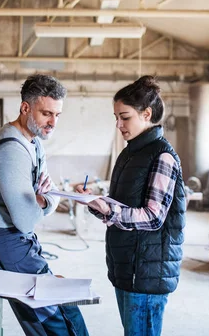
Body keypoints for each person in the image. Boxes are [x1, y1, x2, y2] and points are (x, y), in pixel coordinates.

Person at [0, 74, 89, 336]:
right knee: (56, 320)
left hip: (17, 242)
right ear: (25, 108)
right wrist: (44, 199)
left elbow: (49, 195)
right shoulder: (12, 150)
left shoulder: (33, 142)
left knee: (62, 309)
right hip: (4, 248)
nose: (53, 123)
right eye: (46, 113)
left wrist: (43, 199)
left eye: (57, 115)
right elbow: (27, 218)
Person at [76, 75, 186, 336]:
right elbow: (122, 207)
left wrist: (109, 209)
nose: (118, 124)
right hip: (127, 268)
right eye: (116, 117)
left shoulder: (162, 156)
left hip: (146, 274)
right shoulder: (130, 152)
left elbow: (152, 217)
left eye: (124, 117)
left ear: (146, 114)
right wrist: (96, 203)